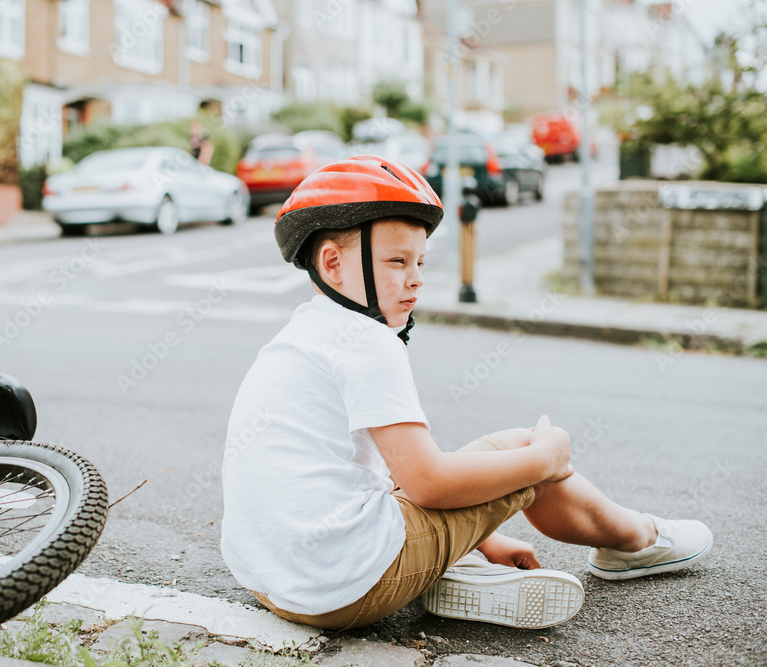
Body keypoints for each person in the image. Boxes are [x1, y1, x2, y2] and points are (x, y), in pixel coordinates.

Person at [219, 155, 713, 631]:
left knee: (412, 481)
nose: (415, 278)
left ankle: (458, 563)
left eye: (420, 262)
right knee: (523, 448)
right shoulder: (367, 340)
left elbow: (389, 472)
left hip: (278, 585)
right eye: (396, 261)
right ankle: (637, 541)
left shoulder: (299, 336)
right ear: (332, 264)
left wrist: (482, 536)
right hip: (347, 588)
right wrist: (545, 459)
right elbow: (427, 482)